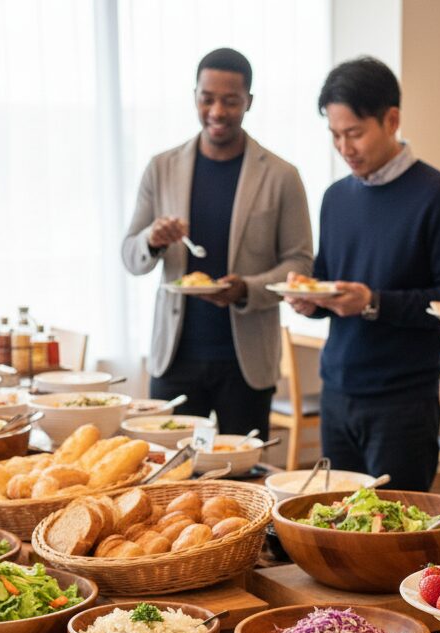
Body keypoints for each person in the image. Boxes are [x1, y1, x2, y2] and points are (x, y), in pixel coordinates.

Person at [284, 57, 440, 492]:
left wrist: (374, 303)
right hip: (336, 394)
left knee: (395, 542)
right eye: (335, 135)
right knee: (336, 530)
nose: (344, 147)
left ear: (391, 119)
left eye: (354, 133)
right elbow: (331, 285)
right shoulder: (336, 197)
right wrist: (309, 301)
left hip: (403, 403)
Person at [121, 48, 312, 436]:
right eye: (207, 99)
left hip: (246, 360)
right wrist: (153, 240)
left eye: (230, 101)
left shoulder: (281, 175)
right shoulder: (162, 167)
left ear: (249, 102)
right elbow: (130, 256)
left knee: (244, 480)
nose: (217, 111)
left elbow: (300, 263)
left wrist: (246, 289)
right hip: (174, 356)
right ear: (195, 96)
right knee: (168, 475)